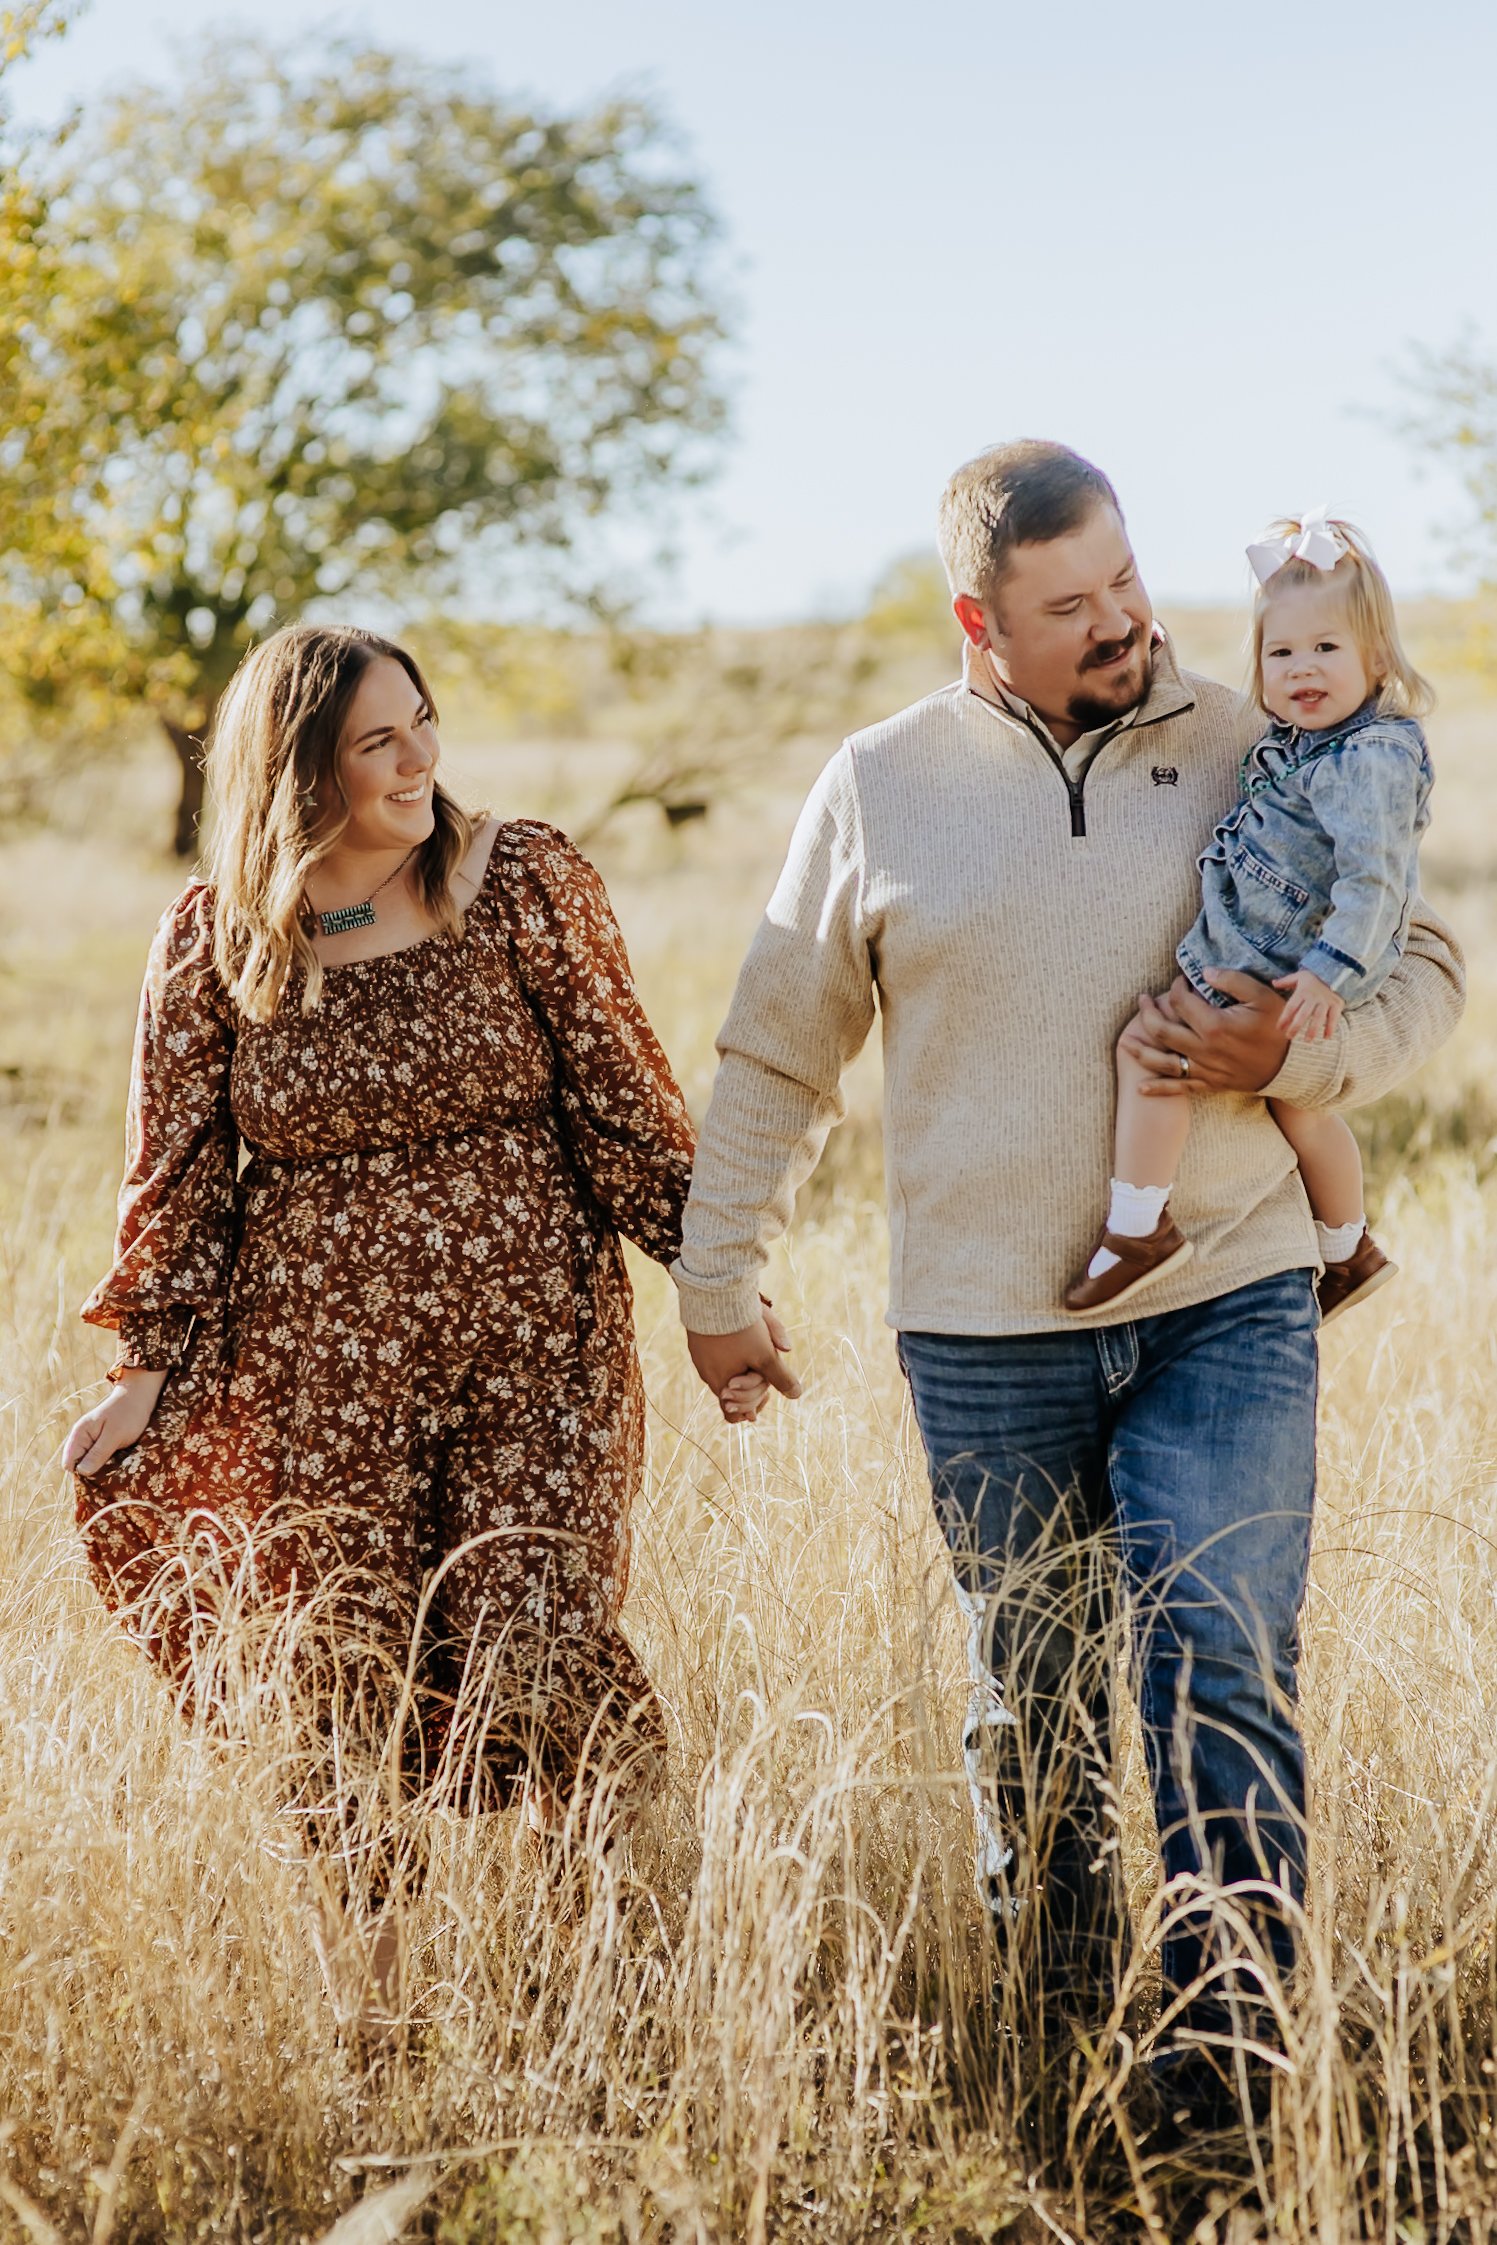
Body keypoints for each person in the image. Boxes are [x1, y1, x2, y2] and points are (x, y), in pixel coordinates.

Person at [671, 443, 1464, 2115]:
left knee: (1222, 1653)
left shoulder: (1260, 729)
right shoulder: (878, 784)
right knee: (1028, 1707)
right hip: (981, 1331)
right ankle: (1058, 2060)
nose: (1124, 623)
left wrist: (1303, 1061)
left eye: (1125, 581)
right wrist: (714, 1277)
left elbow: (1425, 959)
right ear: (979, 619)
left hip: (1225, 1297)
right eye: (1070, 607)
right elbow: (775, 1048)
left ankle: (1228, 2089)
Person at [64, 622, 719, 1873]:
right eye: (379, 739)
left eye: (423, 720)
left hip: (535, 1357)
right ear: (299, 769)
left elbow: (627, 1104)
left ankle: (621, 1970)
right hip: (318, 1378)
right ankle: (382, 2017)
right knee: (334, 1676)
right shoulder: (217, 941)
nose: (419, 757)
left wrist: (714, 1281)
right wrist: (140, 1372)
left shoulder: (521, 880)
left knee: (536, 1644)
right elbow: (179, 1170)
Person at [1064, 510, 1433, 1322]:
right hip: (1284, 957)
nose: (1302, 669)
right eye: (1280, 652)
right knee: (1298, 1102)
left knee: (1150, 1048)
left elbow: (1377, 880)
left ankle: (1138, 1229)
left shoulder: (1364, 759)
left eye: (1326, 649)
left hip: (1285, 964)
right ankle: (1347, 1248)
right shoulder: (1299, 742)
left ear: (1376, 658)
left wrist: (1331, 976)